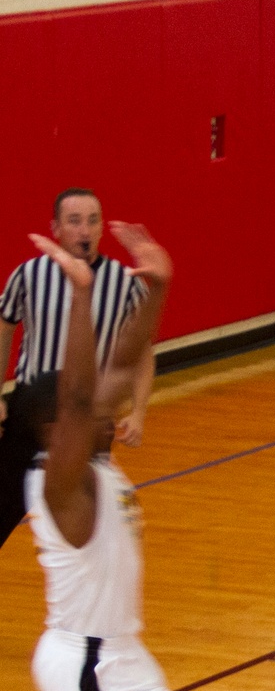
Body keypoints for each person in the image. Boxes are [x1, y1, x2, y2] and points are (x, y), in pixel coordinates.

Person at [24, 224, 235, 691]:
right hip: (91, 663)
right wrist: (81, 298)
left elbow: (121, 364)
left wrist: (158, 290)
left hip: (106, 654)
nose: (108, 404)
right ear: (57, 427)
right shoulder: (61, 478)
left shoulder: (90, 453)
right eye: (83, 409)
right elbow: (84, 391)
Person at [0, 188, 154, 548]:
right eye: (74, 221)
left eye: (92, 221)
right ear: (55, 228)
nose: (84, 230)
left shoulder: (125, 282)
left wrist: (139, 411)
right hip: (30, 410)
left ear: (102, 228)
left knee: (86, 521)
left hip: (86, 418)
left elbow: (143, 353)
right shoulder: (28, 274)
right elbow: (5, 329)